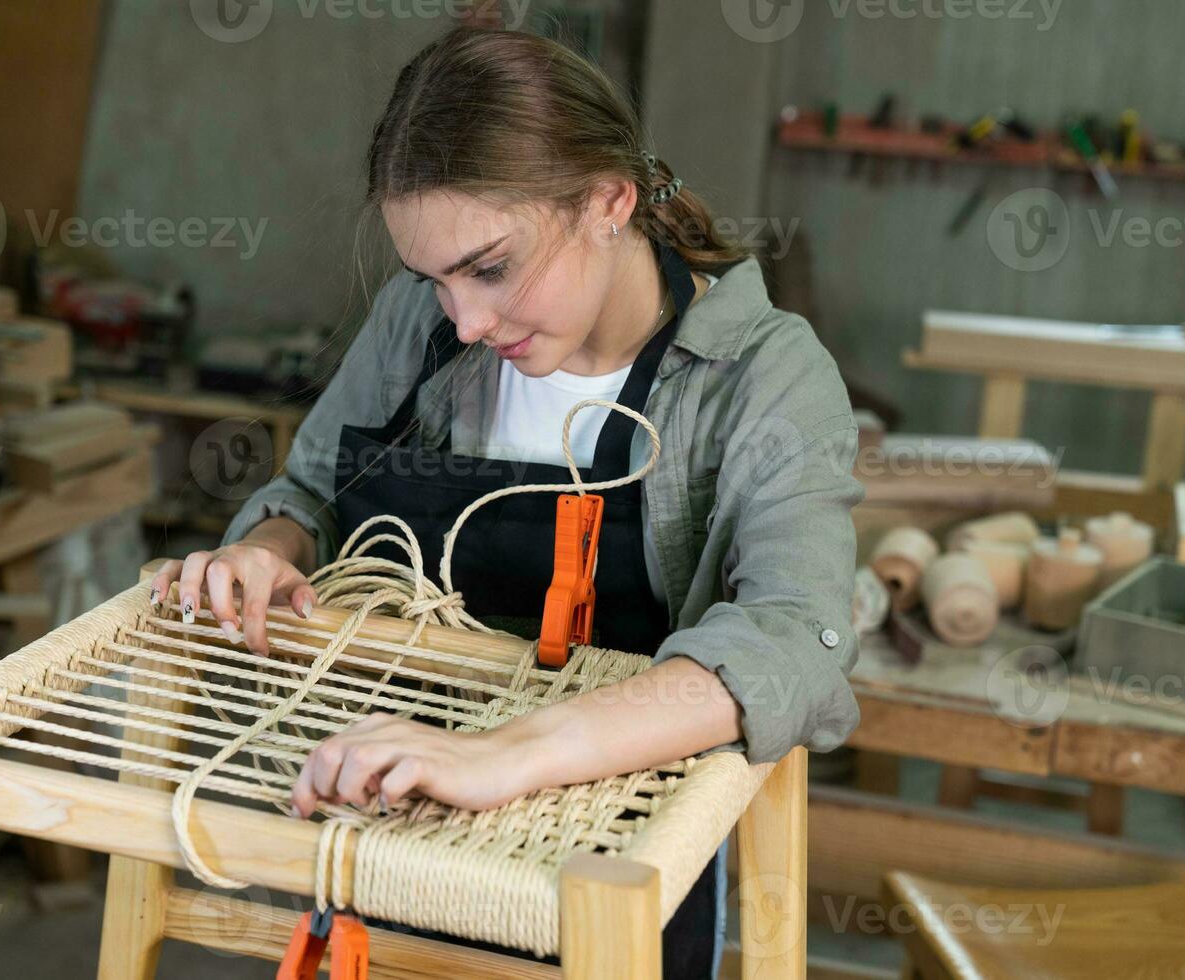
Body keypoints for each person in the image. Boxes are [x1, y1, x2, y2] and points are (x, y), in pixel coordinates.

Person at [149, 25, 863, 977]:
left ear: (609, 200)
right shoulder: (424, 326)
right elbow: (315, 489)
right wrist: (267, 551)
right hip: (389, 817)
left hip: (608, 854)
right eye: (432, 279)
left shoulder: (763, 377)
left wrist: (511, 752)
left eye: (490, 267)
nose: (467, 321)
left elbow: (792, 641)